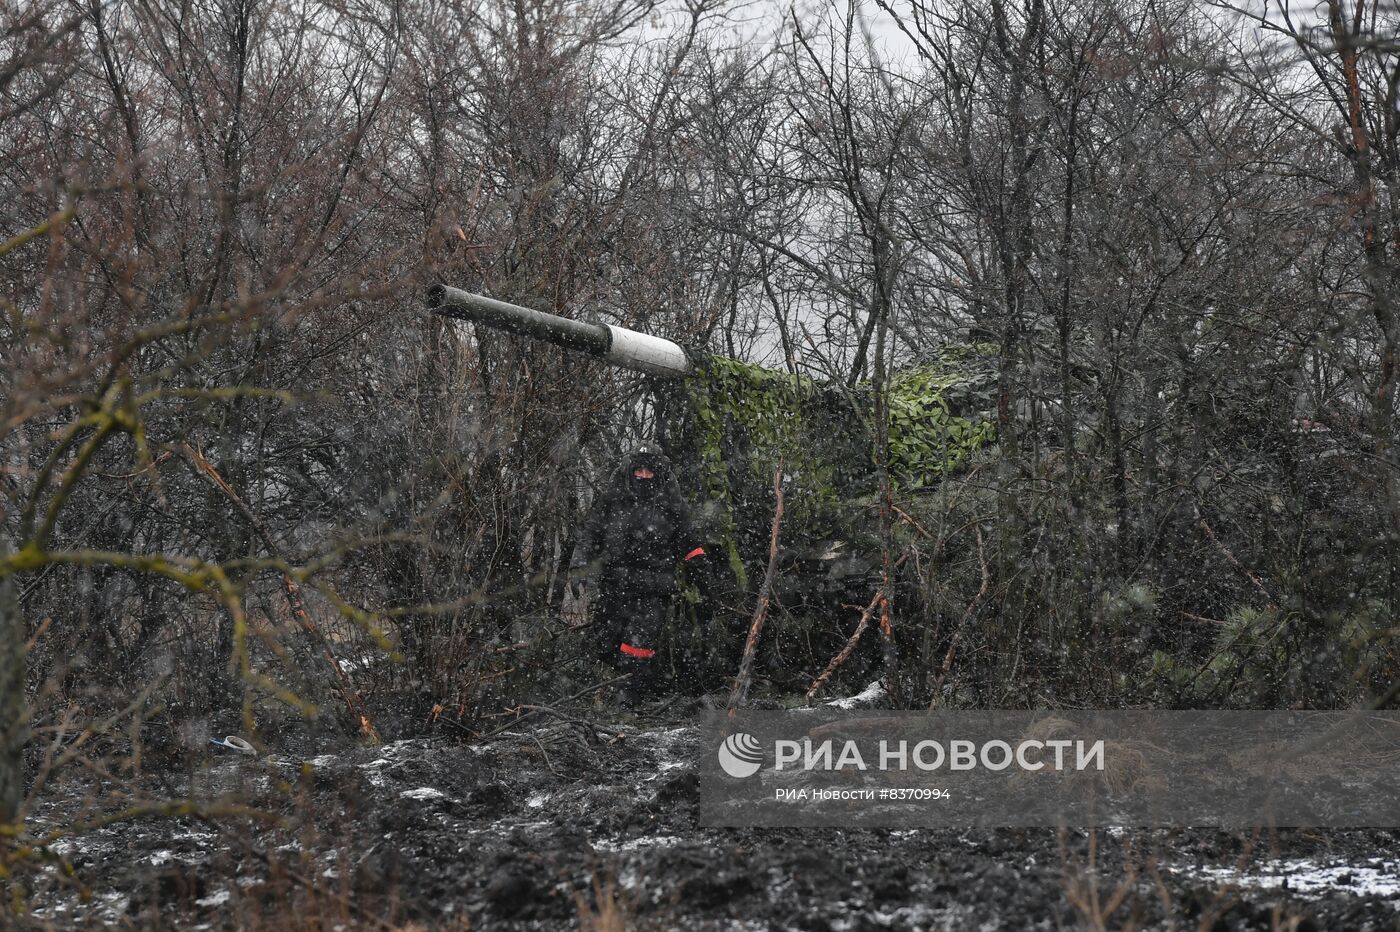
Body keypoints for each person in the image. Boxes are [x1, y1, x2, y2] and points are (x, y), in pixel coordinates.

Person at [571, 443, 707, 705]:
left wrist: (700, 565)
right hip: (615, 584)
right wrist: (579, 565)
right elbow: (591, 533)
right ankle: (610, 691)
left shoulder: (671, 503)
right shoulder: (613, 499)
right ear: (630, 471)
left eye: (649, 471)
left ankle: (629, 699)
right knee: (605, 640)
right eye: (639, 471)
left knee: (638, 644)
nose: (644, 476)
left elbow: (688, 540)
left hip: (654, 587)